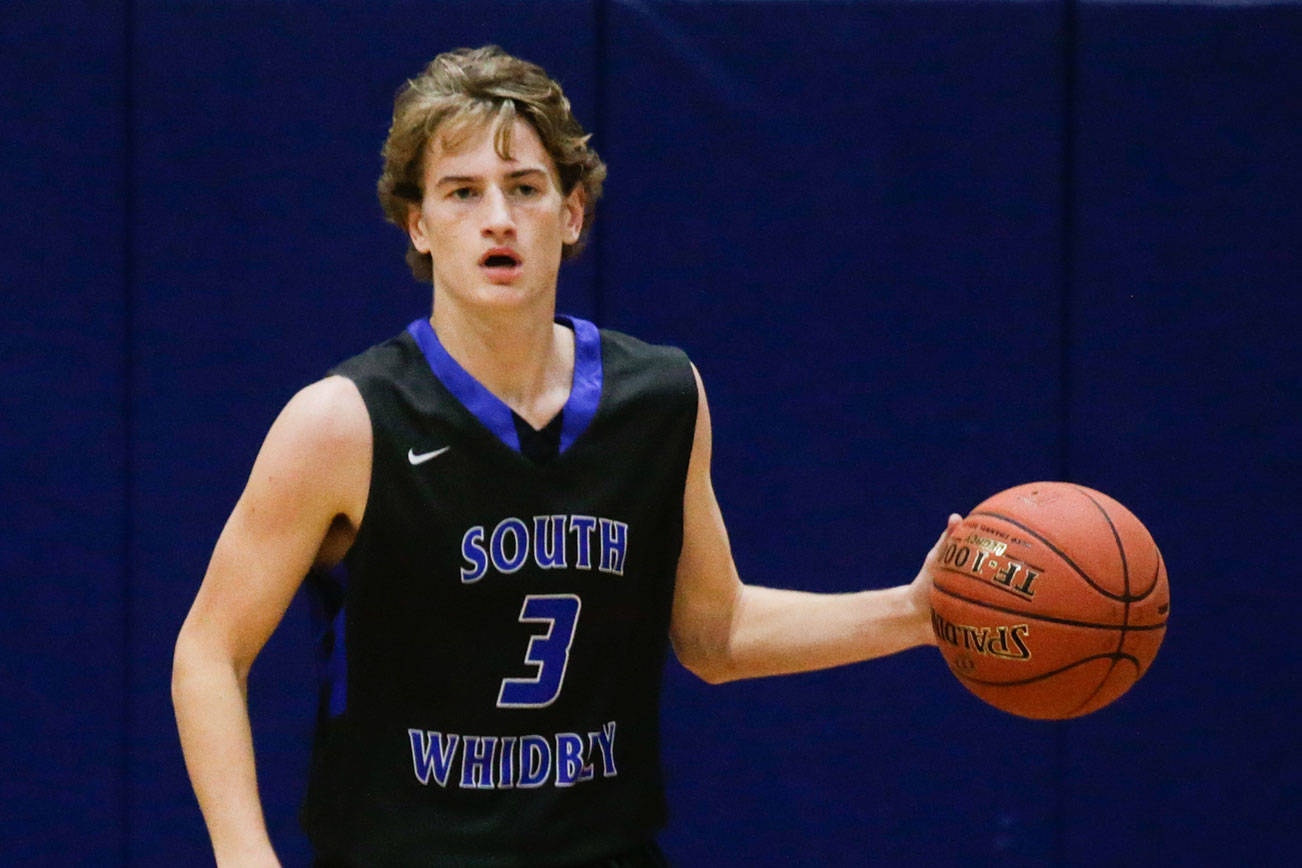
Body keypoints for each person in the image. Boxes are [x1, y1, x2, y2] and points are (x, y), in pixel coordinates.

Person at [172, 45, 961, 867]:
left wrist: (912, 612)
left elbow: (715, 635)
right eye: (463, 193)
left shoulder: (658, 398)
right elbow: (209, 651)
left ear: (572, 212)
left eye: (524, 189)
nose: (498, 219)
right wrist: (242, 853)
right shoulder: (343, 423)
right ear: (420, 224)